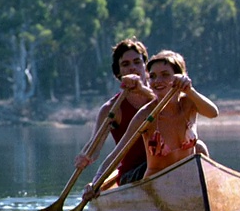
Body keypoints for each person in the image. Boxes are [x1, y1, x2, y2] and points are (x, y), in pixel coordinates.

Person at [83, 50, 218, 199]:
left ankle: (208, 197)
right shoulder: (145, 114)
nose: (157, 81)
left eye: (165, 75)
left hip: (185, 182)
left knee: (200, 148)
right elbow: (117, 154)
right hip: (155, 187)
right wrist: (95, 183)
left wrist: (189, 89)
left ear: (179, 77)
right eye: (152, 76)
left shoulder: (189, 103)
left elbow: (213, 113)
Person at [74, 37, 154, 187]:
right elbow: (95, 146)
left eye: (137, 62)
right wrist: (86, 156)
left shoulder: (163, 97)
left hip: (166, 166)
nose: (133, 68)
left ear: (146, 67)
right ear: (119, 73)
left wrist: (143, 90)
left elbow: (169, 108)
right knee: (150, 168)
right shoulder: (111, 109)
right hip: (134, 174)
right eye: (126, 64)